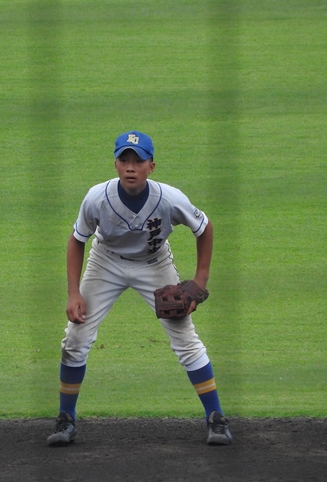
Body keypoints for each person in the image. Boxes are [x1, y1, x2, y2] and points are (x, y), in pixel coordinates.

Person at [47, 131, 232, 447]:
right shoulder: (97, 197)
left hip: (154, 263)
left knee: (185, 339)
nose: (131, 167)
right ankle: (66, 418)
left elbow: (204, 227)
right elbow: (77, 240)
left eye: (138, 161)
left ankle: (216, 419)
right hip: (106, 262)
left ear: (151, 166)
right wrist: (73, 293)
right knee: (75, 338)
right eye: (124, 160)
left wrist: (200, 280)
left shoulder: (170, 198)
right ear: (116, 165)